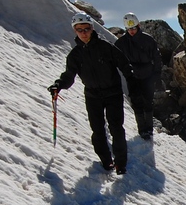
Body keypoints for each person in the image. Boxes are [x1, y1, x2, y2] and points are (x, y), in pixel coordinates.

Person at [48, 12, 137, 174]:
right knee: (97, 130)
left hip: (113, 94)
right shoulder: (75, 55)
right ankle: (106, 161)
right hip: (92, 95)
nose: (83, 33)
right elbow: (69, 76)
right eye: (79, 29)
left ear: (92, 28)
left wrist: (132, 79)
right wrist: (58, 85)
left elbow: (124, 63)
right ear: (75, 31)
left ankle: (120, 164)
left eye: (86, 29)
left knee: (116, 128)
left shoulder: (106, 47)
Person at [115, 12, 163, 141]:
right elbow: (116, 58)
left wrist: (157, 75)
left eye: (133, 28)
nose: (131, 31)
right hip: (132, 76)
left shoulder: (148, 40)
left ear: (138, 26)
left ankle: (149, 129)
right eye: (129, 29)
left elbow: (157, 57)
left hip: (148, 75)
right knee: (136, 102)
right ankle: (142, 130)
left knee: (148, 101)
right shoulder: (121, 43)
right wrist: (126, 71)